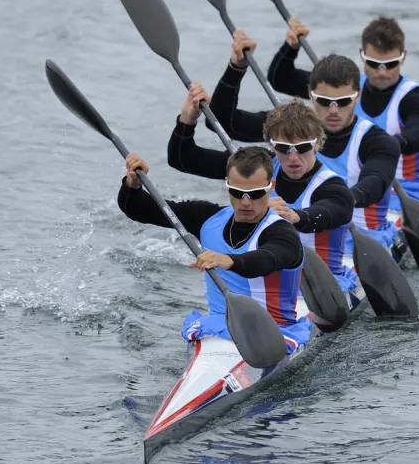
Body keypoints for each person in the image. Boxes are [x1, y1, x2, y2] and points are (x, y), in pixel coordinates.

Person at [204, 30, 401, 252]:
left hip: (356, 241)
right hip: (286, 242)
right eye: (325, 101)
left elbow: (372, 187)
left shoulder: (379, 142)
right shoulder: (286, 129)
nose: (333, 110)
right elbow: (220, 123)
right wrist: (236, 68)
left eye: (343, 101)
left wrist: (339, 201)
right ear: (311, 94)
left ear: (357, 96)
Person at [117, 147, 311, 354]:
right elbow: (140, 210)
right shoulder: (206, 217)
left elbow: (267, 259)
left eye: (255, 194)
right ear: (227, 184)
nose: (246, 202)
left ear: (270, 186)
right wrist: (133, 185)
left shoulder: (283, 233)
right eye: (237, 192)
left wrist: (230, 260)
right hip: (217, 328)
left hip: (273, 332)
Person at [168, 85, 359, 295]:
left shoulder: (334, 187)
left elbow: (331, 211)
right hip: (259, 283)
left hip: (321, 288)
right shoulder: (259, 168)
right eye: (283, 147)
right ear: (271, 144)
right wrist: (187, 121)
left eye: (302, 147)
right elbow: (183, 160)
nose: (293, 157)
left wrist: (296, 216)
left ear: (317, 144)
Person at [266, 15, 419, 211]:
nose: (382, 72)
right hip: (337, 190)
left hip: (403, 188)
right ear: (362, 55)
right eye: (374, 63)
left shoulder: (416, 99)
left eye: (391, 64)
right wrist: (290, 48)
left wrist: (393, 143)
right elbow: (279, 80)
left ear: (403, 57)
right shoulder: (343, 88)